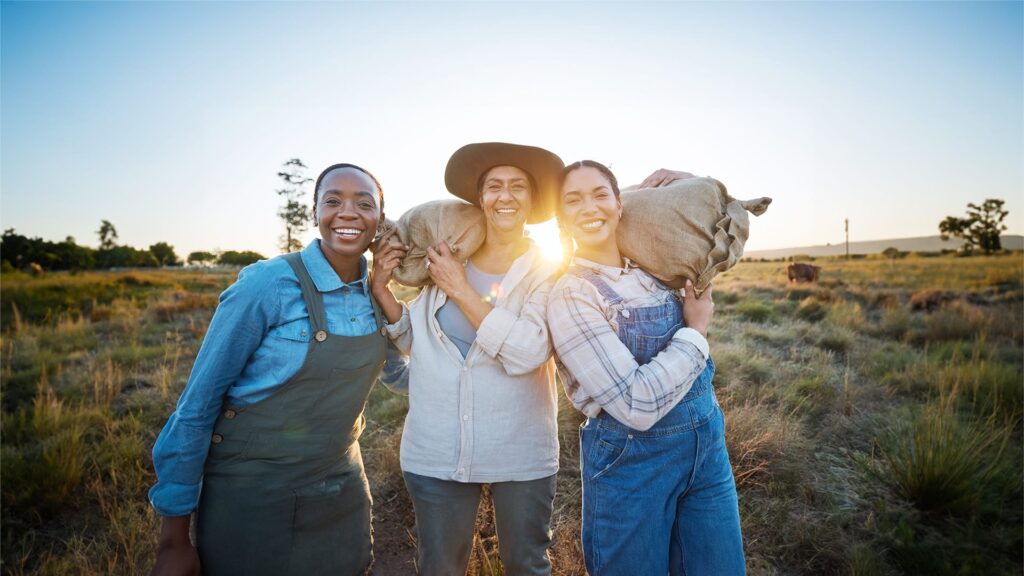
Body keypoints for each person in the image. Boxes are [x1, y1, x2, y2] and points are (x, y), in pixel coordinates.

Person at [148, 163, 408, 576]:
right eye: (333, 201)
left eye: (364, 204)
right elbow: (197, 406)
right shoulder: (266, 284)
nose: (347, 213)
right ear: (314, 213)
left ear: (381, 220)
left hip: (340, 481)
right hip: (251, 488)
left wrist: (391, 294)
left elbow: (403, 378)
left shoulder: (378, 293)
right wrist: (173, 539)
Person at [370, 142, 564, 575]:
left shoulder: (549, 271)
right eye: (494, 186)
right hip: (436, 448)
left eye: (518, 186)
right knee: (440, 567)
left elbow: (529, 352)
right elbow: (417, 343)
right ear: (481, 199)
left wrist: (461, 289)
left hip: (520, 448)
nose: (505, 196)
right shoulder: (447, 254)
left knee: (526, 566)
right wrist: (383, 291)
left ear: (532, 201)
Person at [546, 160, 745, 575]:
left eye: (601, 194)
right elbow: (636, 404)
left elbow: (719, 214)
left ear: (621, 205)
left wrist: (687, 179)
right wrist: (697, 330)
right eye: (573, 200)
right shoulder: (571, 294)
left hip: (707, 453)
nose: (589, 207)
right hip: (632, 465)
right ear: (560, 218)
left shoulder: (658, 269)